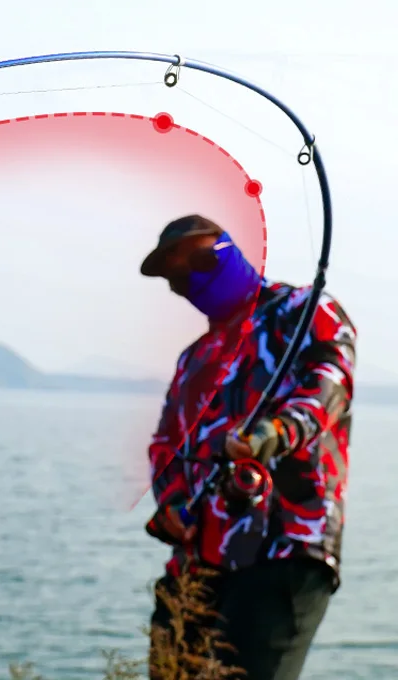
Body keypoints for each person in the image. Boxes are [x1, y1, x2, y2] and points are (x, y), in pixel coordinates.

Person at [140, 214, 357, 680]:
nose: (192, 279)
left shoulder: (302, 310)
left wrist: (272, 433)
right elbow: (165, 446)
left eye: (201, 260)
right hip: (196, 564)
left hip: (285, 548)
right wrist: (173, 503)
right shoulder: (194, 357)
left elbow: (329, 385)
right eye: (178, 277)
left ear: (231, 249)